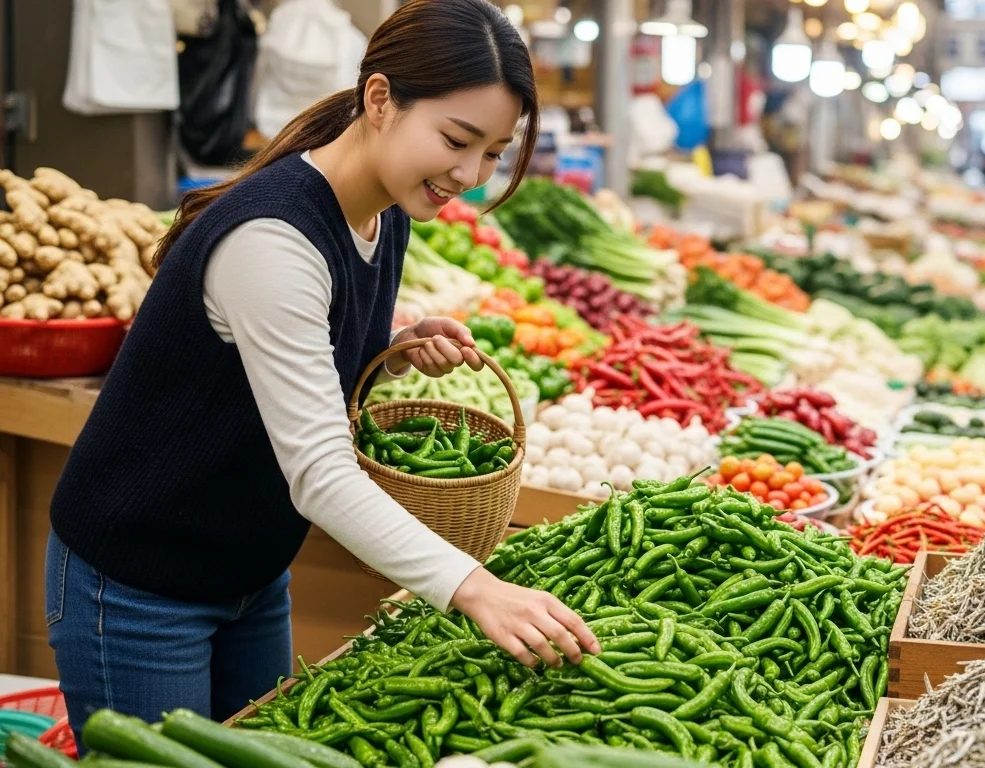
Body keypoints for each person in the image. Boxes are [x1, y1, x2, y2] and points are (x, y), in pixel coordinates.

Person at [45, 0, 599, 740]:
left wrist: (391, 348)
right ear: (380, 100)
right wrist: (474, 589)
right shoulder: (272, 238)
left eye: (495, 151)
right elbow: (321, 473)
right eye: (457, 140)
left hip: (248, 570)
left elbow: (290, 359)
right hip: (141, 584)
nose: (470, 174)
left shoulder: (385, 208)